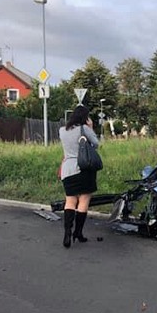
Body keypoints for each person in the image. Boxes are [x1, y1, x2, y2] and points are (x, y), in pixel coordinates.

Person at [59, 105, 100, 248]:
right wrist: (91, 127)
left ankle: (67, 233)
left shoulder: (62, 131)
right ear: (85, 117)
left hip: (67, 170)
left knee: (69, 201)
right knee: (83, 201)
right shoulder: (85, 129)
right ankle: (78, 232)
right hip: (83, 169)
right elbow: (96, 144)